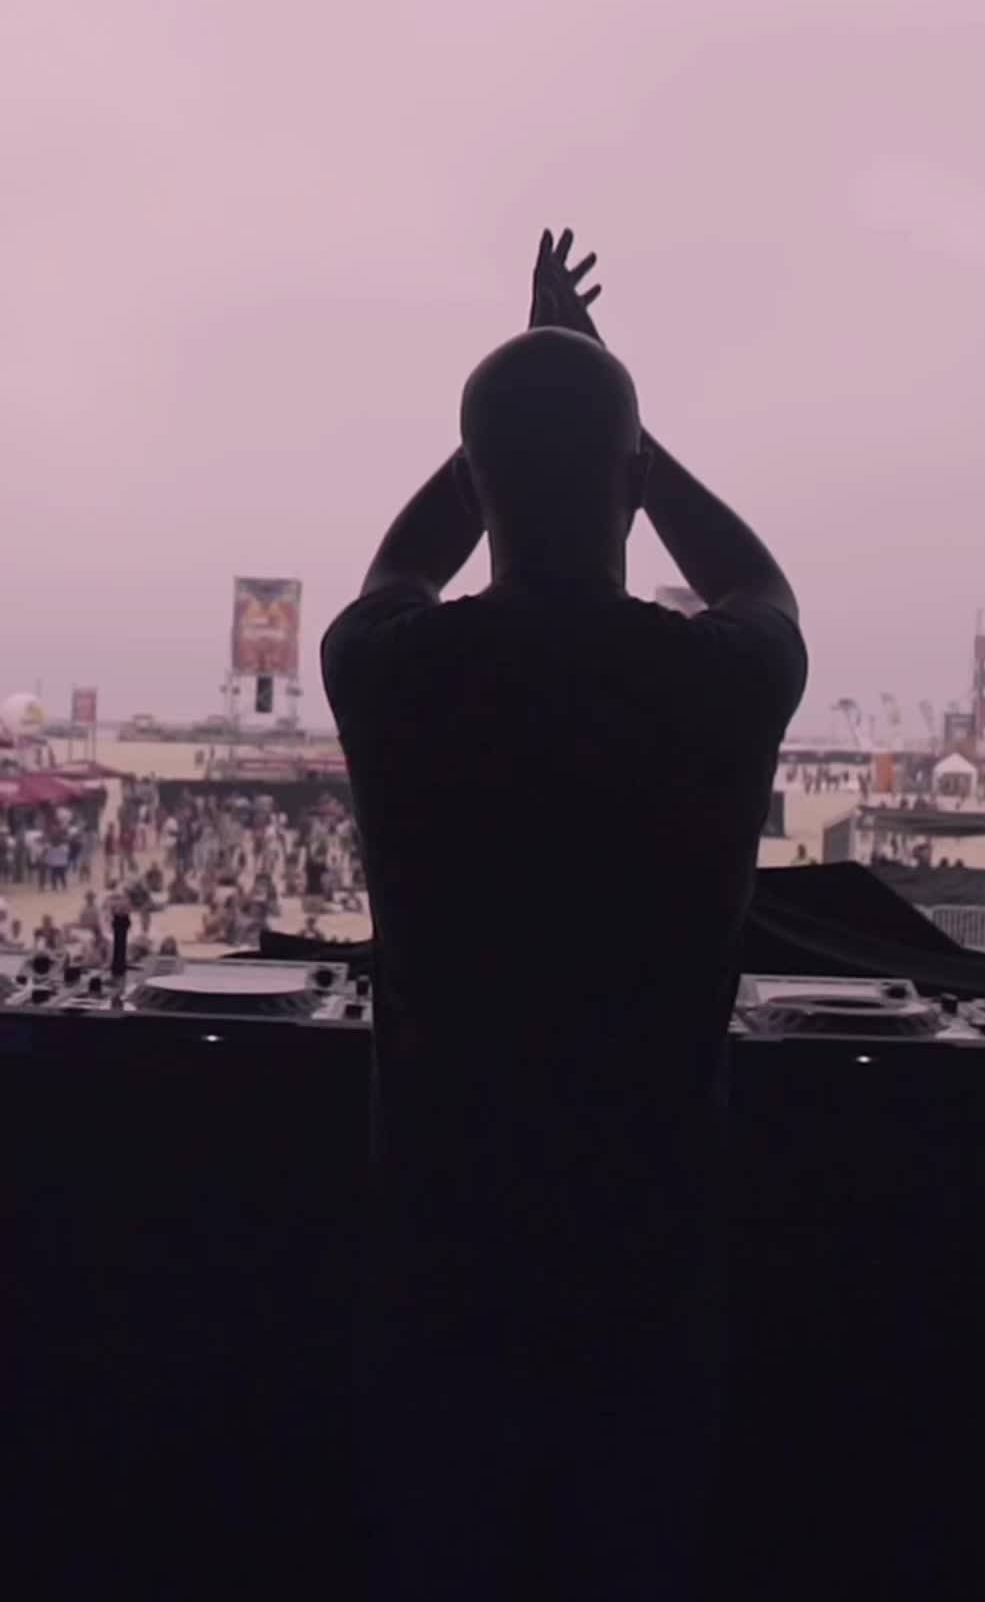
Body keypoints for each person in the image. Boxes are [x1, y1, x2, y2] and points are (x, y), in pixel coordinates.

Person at [321, 227, 807, 1600]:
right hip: (652, 1252)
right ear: (633, 485)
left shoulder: (390, 673)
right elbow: (760, 586)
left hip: (437, 1249)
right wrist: (613, 401)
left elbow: (401, 567)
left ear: (478, 484)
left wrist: (521, 413)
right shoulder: (719, 682)